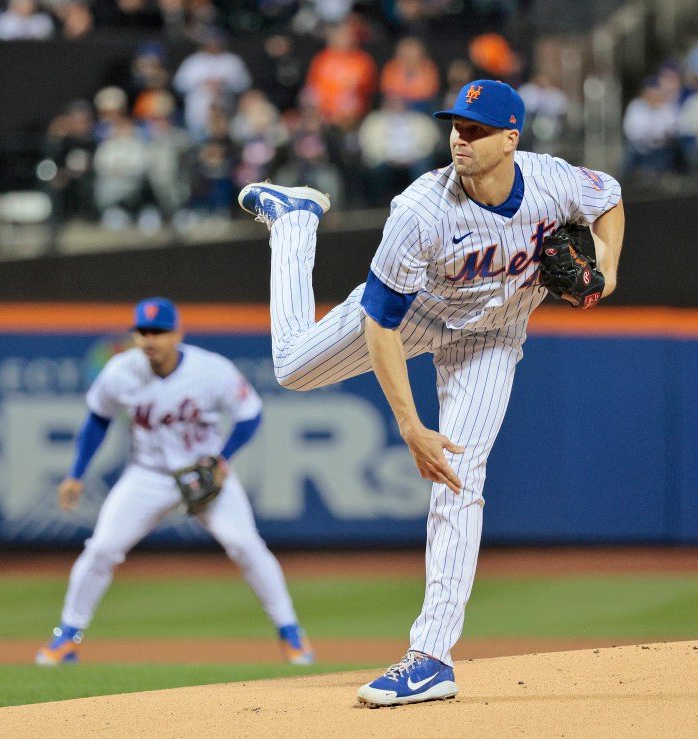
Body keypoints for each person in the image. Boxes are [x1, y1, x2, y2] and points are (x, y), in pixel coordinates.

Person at [237, 79, 624, 706]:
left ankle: (431, 658)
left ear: (510, 138)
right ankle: (296, 221)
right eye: (455, 127)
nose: (460, 139)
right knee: (290, 367)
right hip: (416, 314)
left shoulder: (552, 180)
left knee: (460, 479)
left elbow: (608, 195)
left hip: (492, 336)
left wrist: (606, 268)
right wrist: (410, 425)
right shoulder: (421, 209)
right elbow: (380, 322)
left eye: (475, 130)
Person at [36, 297, 314, 667]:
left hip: (203, 473)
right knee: (101, 548)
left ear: (177, 333)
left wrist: (221, 458)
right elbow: (98, 419)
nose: (150, 339)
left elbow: (250, 414)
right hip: (147, 475)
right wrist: (76, 473)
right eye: (143, 331)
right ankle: (67, 637)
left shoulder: (211, 370)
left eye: (160, 332)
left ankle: (290, 632)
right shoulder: (121, 370)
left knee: (245, 545)